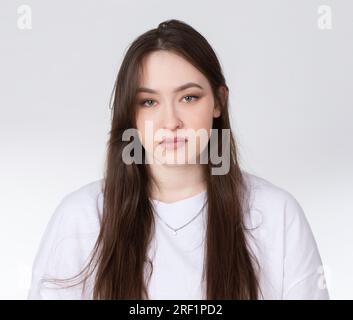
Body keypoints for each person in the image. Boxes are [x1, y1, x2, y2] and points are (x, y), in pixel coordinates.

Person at [27, 19, 329, 300]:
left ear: (219, 101)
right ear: (129, 113)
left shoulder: (277, 214)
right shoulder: (81, 217)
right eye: (148, 102)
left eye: (189, 97)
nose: (170, 121)